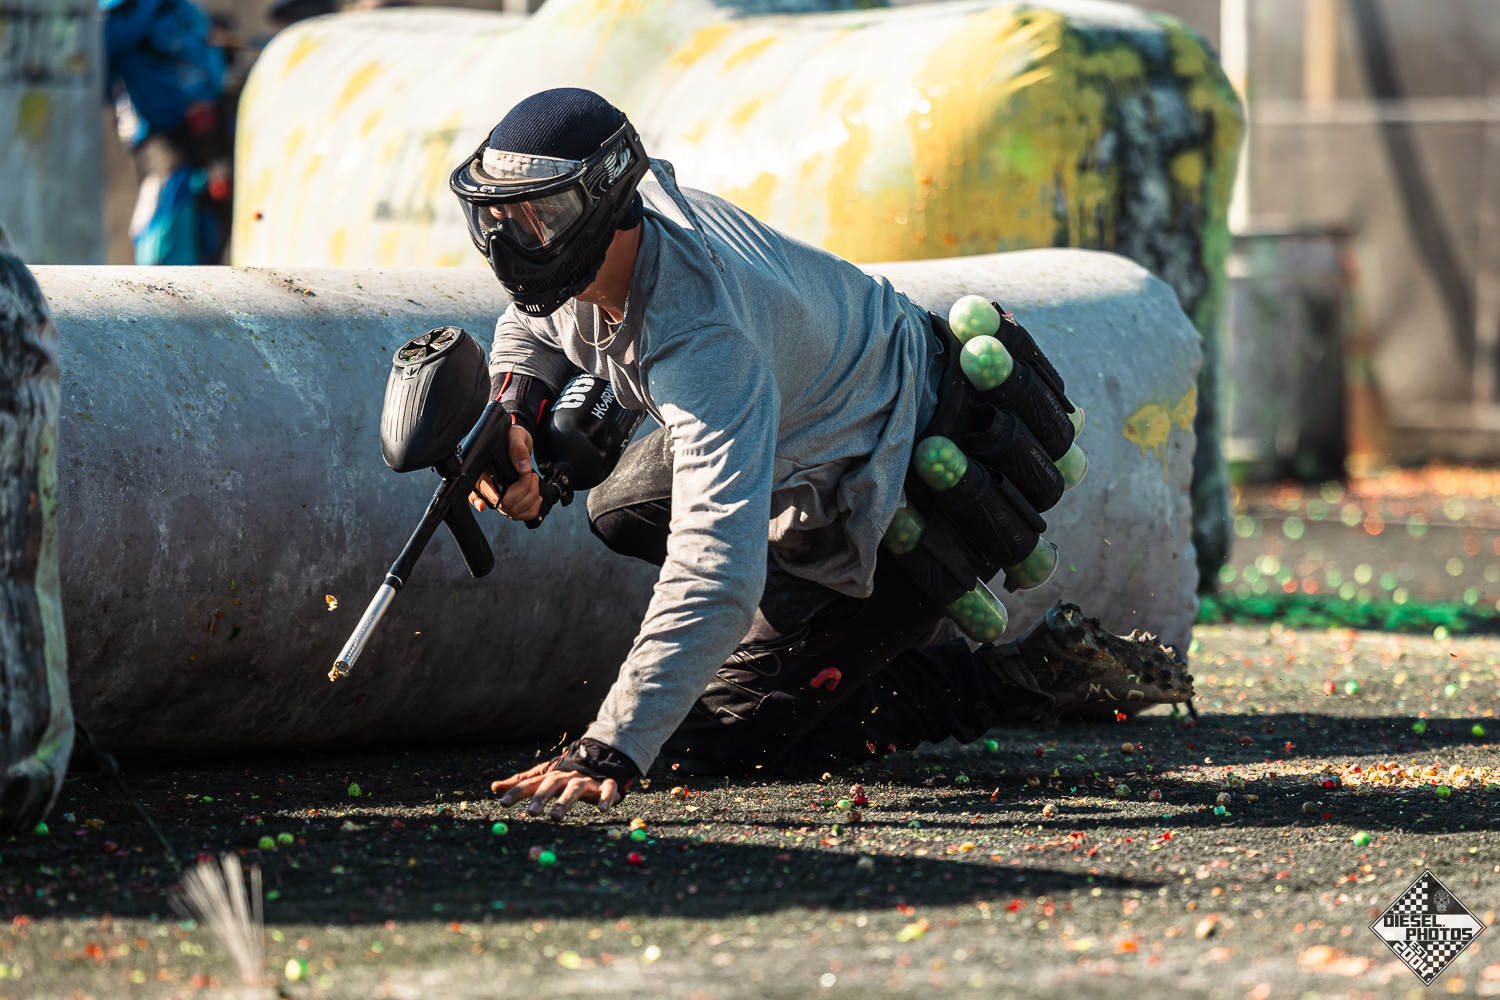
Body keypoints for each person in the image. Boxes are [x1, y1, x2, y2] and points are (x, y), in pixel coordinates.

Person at [448, 88, 1193, 819]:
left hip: (905, 497)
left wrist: (610, 745)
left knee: (704, 743)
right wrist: (515, 408)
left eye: (540, 216)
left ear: (606, 205)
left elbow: (717, 569)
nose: (510, 242)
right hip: (821, 432)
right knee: (619, 507)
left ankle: (1015, 675)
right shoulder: (597, 249)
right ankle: (827, 648)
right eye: (497, 216)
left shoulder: (705, 343)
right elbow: (529, 325)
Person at [101, 0, 233, 264]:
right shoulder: (130, 13)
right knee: (167, 267)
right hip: (172, 163)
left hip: (205, 157)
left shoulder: (183, 13)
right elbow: (92, 65)